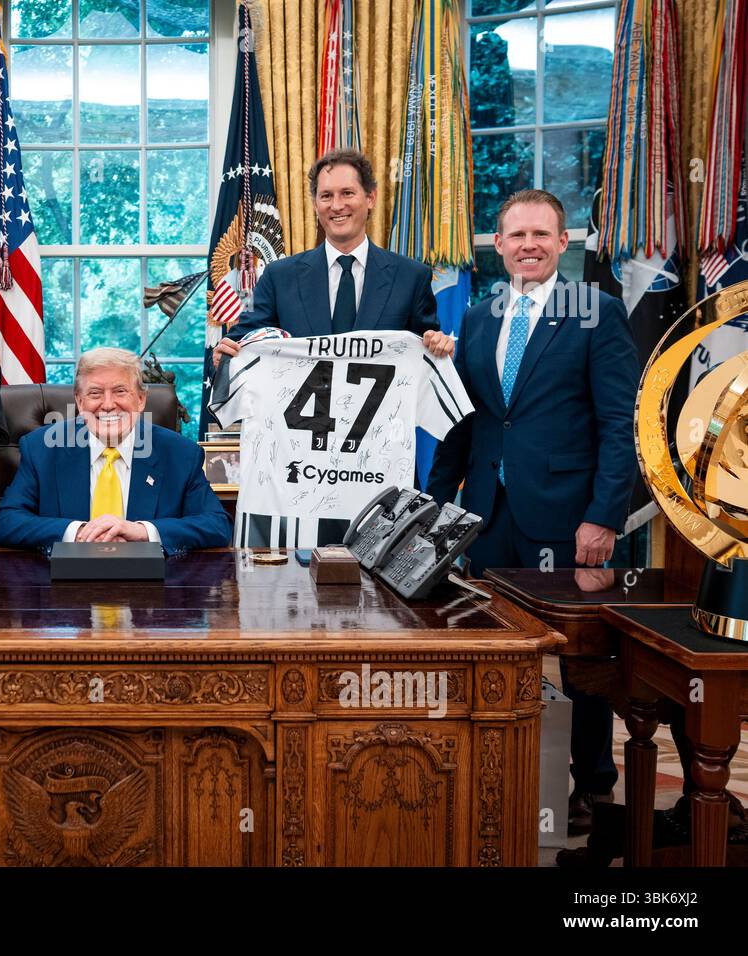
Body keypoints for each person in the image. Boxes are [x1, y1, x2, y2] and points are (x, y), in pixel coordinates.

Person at [427, 188, 639, 835]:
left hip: (571, 520)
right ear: (497, 244)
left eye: (541, 235)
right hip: (487, 516)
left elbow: (617, 424)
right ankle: (497, 771)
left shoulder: (595, 312)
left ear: (562, 240)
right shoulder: (484, 316)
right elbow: (468, 421)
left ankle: (594, 788)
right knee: (487, 652)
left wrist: (604, 517)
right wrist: (436, 507)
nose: (528, 246)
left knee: (582, 663)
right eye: (516, 235)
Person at [215, 148, 452, 364]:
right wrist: (226, 352)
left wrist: (441, 348)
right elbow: (242, 341)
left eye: (347, 193)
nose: (336, 206)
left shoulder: (411, 277)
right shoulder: (279, 277)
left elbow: (428, 356)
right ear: (316, 204)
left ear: (370, 198)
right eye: (326, 196)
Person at [0, 347, 231, 554]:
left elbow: (216, 525)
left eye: (120, 391)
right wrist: (78, 532)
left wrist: (142, 531)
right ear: (79, 401)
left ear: (140, 399)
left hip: (153, 594)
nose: (107, 405)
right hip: (63, 593)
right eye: (95, 393)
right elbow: (6, 522)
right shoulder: (42, 448)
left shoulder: (180, 453)